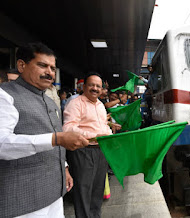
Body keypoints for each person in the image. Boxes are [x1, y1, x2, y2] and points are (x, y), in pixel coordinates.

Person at [0, 42, 89, 218]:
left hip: (55, 191)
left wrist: (64, 168)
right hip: (23, 200)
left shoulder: (48, 100)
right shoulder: (5, 96)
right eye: (42, 65)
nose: (49, 72)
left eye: (52, 68)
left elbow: (55, 136)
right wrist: (56, 139)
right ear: (22, 65)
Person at [63, 72, 113, 218]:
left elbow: (104, 126)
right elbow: (68, 128)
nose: (95, 88)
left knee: (98, 190)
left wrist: (110, 136)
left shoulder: (100, 105)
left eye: (98, 86)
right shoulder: (75, 103)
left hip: (101, 151)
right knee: (83, 191)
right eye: (91, 85)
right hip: (83, 151)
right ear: (84, 86)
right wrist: (93, 136)